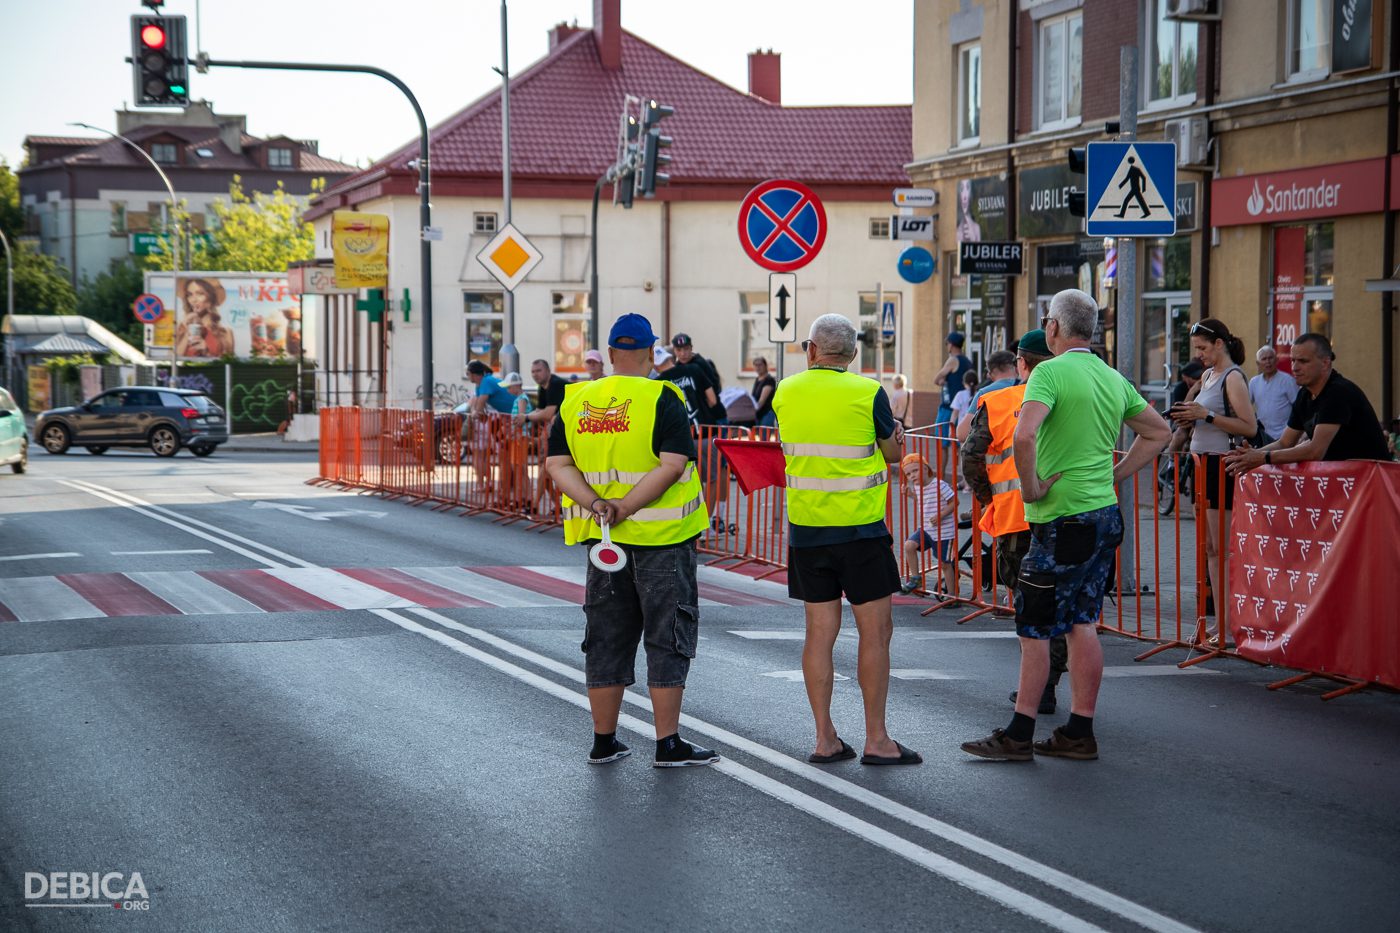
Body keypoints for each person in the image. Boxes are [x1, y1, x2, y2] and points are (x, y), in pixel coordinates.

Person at [961, 289, 1170, 762]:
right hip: (1102, 516)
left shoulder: (1049, 372)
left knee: (1034, 626)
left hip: (1060, 518)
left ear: (1053, 327)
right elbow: (1159, 432)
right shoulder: (1110, 376)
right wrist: (1115, 475)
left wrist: (1031, 487)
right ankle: (1079, 730)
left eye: (1046, 321)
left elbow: (1025, 434)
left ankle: (1019, 733)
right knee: (1081, 622)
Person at [544, 313, 718, 768]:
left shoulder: (576, 399)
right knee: (667, 636)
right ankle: (668, 744)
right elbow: (672, 464)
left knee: (607, 636)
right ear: (649, 353)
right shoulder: (662, 396)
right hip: (663, 539)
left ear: (611, 353)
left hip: (604, 544)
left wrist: (597, 504)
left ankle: (604, 741)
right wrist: (627, 506)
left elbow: (557, 465)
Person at [773, 313, 920, 767]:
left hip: (807, 530)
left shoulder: (785, 391)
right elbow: (892, 453)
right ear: (854, 354)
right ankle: (877, 740)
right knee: (875, 634)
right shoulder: (868, 392)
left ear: (812, 350)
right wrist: (894, 434)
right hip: (860, 530)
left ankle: (825, 738)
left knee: (819, 635)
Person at [961, 329, 1065, 715]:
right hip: (1069, 514)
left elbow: (971, 457)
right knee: (1062, 601)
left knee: (1029, 601)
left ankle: (1036, 687)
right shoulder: (1070, 395)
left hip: (1016, 518)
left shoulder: (997, 401)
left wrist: (989, 499)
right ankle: (1049, 683)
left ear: (1021, 363)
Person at [1169, 318, 1256, 647]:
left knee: (1221, 551)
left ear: (1220, 344)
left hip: (1221, 466)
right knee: (1209, 551)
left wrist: (1204, 416)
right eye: (1197, 349)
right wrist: (1187, 416)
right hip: (1201, 464)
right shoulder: (1207, 376)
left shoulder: (1233, 377)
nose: (1199, 355)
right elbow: (1198, 414)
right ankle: (1216, 623)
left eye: (1203, 348)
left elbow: (1249, 426)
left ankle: (1228, 626)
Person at [1225, 333, 1389, 474]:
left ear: (1325, 363)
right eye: (1293, 360)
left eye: (1303, 361)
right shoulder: (1304, 393)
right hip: (1346, 480)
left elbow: (1315, 451)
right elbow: (1285, 442)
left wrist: (1262, 457)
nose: (1295, 367)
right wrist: (1250, 455)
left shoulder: (1338, 392)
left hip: (1373, 481)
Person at [898, 453, 958, 599]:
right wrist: (911, 495)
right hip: (926, 528)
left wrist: (941, 515)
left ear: (926, 469)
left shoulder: (939, 485)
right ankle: (916, 579)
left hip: (944, 532)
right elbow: (923, 500)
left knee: (945, 564)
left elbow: (955, 502)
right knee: (909, 546)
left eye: (915, 470)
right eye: (908, 474)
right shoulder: (917, 486)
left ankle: (952, 595)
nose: (912, 476)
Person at [956, 350, 1019, 443]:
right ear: (1017, 368)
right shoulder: (1029, 388)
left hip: (998, 449)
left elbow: (962, 434)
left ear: (990, 374)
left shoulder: (984, 393)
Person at [654, 345, 718, 427]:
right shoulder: (694, 368)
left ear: (655, 367)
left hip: (681, 432)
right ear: (670, 358)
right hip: (706, 429)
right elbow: (712, 400)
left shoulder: (657, 384)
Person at [1247, 346, 1299, 445]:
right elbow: (1246, 406)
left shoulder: (1287, 380)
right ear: (1258, 363)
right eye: (1264, 359)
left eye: (1270, 358)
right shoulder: (1254, 382)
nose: (1268, 362)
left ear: (1276, 360)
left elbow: (1299, 408)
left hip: (1284, 436)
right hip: (1263, 436)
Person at [173, 277, 235, 359]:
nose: (193, 300)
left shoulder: (225, 333)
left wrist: (207, 351)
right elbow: (172, 359)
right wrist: (187, 332)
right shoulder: (181, 328)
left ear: (211, 298)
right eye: (190, 295)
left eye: (200, 294)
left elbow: (229, 362)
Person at [932, 332, 974, 446]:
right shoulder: (968, 361)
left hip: (949, 407)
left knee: (942, 442)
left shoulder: (953, 360)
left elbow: (936, 379)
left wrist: (942, 381)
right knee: (960, 442)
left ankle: (943, 460)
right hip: (963, 408)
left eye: (947, 344)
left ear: (951, 345)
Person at [524, 358, 568, 428]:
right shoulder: (543, 386)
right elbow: (539, 410)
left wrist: (526, 417)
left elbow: (548, 414)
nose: (535, 374)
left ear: (548, 371)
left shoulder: (555, 384)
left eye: (538, 371)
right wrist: (524, 417)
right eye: (533, 372)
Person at [752, 356, 777, 428]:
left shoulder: (769, 380)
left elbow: (762, 400)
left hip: (766, 413)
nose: (758, 367)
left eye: (760, 365)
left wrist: (751, 411)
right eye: (756, 365)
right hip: (758, 413)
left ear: (765, 366)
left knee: (764, 434)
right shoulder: (757, 379)